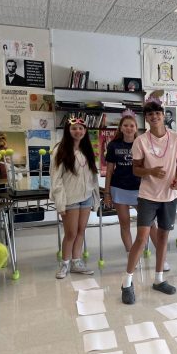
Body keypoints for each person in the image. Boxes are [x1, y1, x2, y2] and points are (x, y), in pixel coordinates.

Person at [121, 101, 177, 303]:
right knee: (142, 238)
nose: (154, 117)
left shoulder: (176, 138)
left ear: (163, 115)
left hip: (169, 196)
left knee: (164, 238)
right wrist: (151, 171)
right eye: (150, 115)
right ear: (146, 119)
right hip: (148, 195)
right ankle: (127, 283)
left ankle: (158, 279)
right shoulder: (140, 141)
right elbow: (135, 169)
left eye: (158, 113)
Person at [104, 113, 171, 271]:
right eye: (125, 125)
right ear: (121, 127)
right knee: (125, 224)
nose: (128, 128)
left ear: (136, 128)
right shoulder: (114, 145)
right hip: (119, 188)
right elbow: (109, 171)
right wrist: (107, 193)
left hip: (140, 190)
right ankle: (131, 255)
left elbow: (151, 166)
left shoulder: (143, 143)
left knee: (150, 225)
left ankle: (160, 259)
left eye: (132, 125)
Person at [50, 117, 99, 279]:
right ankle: (65, 263)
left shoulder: (87, 150)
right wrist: (60, 203)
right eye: (74, 128)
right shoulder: (60, 150)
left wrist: (95, 197)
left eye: (81, 128)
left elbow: (93, 177)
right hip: (69, 198)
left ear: (85, 131)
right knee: (70, 233)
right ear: (68, 131)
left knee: (81, 231)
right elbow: (56, 179)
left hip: (85, 197)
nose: (78, 131)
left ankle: (76, 261)